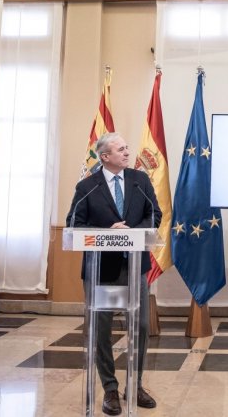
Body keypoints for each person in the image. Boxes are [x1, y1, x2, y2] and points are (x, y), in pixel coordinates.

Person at [66, 132, 162, 416]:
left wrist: (132, 232)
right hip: (101, 270)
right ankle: (109, 388)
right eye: (120, 149)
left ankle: (136, 383)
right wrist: (106, 233)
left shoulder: (140, 181)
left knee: (142, 327)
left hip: (134, 268)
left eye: (126, 148)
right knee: (101, 331)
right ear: (105, 157)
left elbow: (155, 214)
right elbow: (73, 224)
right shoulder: (87, 187)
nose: (127, 152)